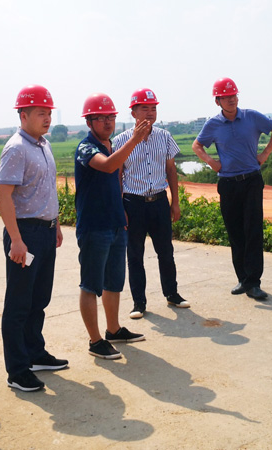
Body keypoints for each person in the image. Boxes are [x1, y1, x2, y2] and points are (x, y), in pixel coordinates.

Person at [0, 85, 67, 392]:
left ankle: (35, 353)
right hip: (24, 233)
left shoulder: (43, 145)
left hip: (46, 231)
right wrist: (16, 240)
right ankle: (17, 370)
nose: (47, 118)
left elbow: (47, 190)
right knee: (18, 304)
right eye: (41, 113)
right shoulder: (16, 148)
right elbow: (4, 197)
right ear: (23, 115)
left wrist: (56, 224)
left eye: (49, 112)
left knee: (39, 299)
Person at [192, 77, 272, 300]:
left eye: (233, 95)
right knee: (235, 231)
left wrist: (265, 153)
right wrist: (211, 162)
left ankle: (254, 282)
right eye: (226, 97)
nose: (231, 99)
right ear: (218, 101)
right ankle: (243, 279)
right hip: (228, 183)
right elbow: (197, 145)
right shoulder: (213, 124)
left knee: (253, 230)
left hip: (251, 180)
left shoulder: (252, 116)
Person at [74, 92, 151, 360]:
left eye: (111, 117)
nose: (108, 122)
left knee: (114, 282)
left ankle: (113, 329)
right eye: (101, 118)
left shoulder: (111, 145)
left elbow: (117, 178)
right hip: (94, 226)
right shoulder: (87, 148)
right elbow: (108, 167)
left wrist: (121, 211)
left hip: (116, 223)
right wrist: (135, 140)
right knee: (90, 285)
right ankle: (95, 341)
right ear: (89, 122)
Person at [113, 88, 190, 320]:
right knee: (135, 254)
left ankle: (172, 293)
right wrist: (120, 208)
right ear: (133, 112)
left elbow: (171, 170)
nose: (150, 112)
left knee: (166, 251)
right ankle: (139, 302)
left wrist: (175, 202)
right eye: (144, 108)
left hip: (158, 201)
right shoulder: (121, 141)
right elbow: (117, 176)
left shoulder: (164, 137)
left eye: (153, 108)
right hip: (133, 203)